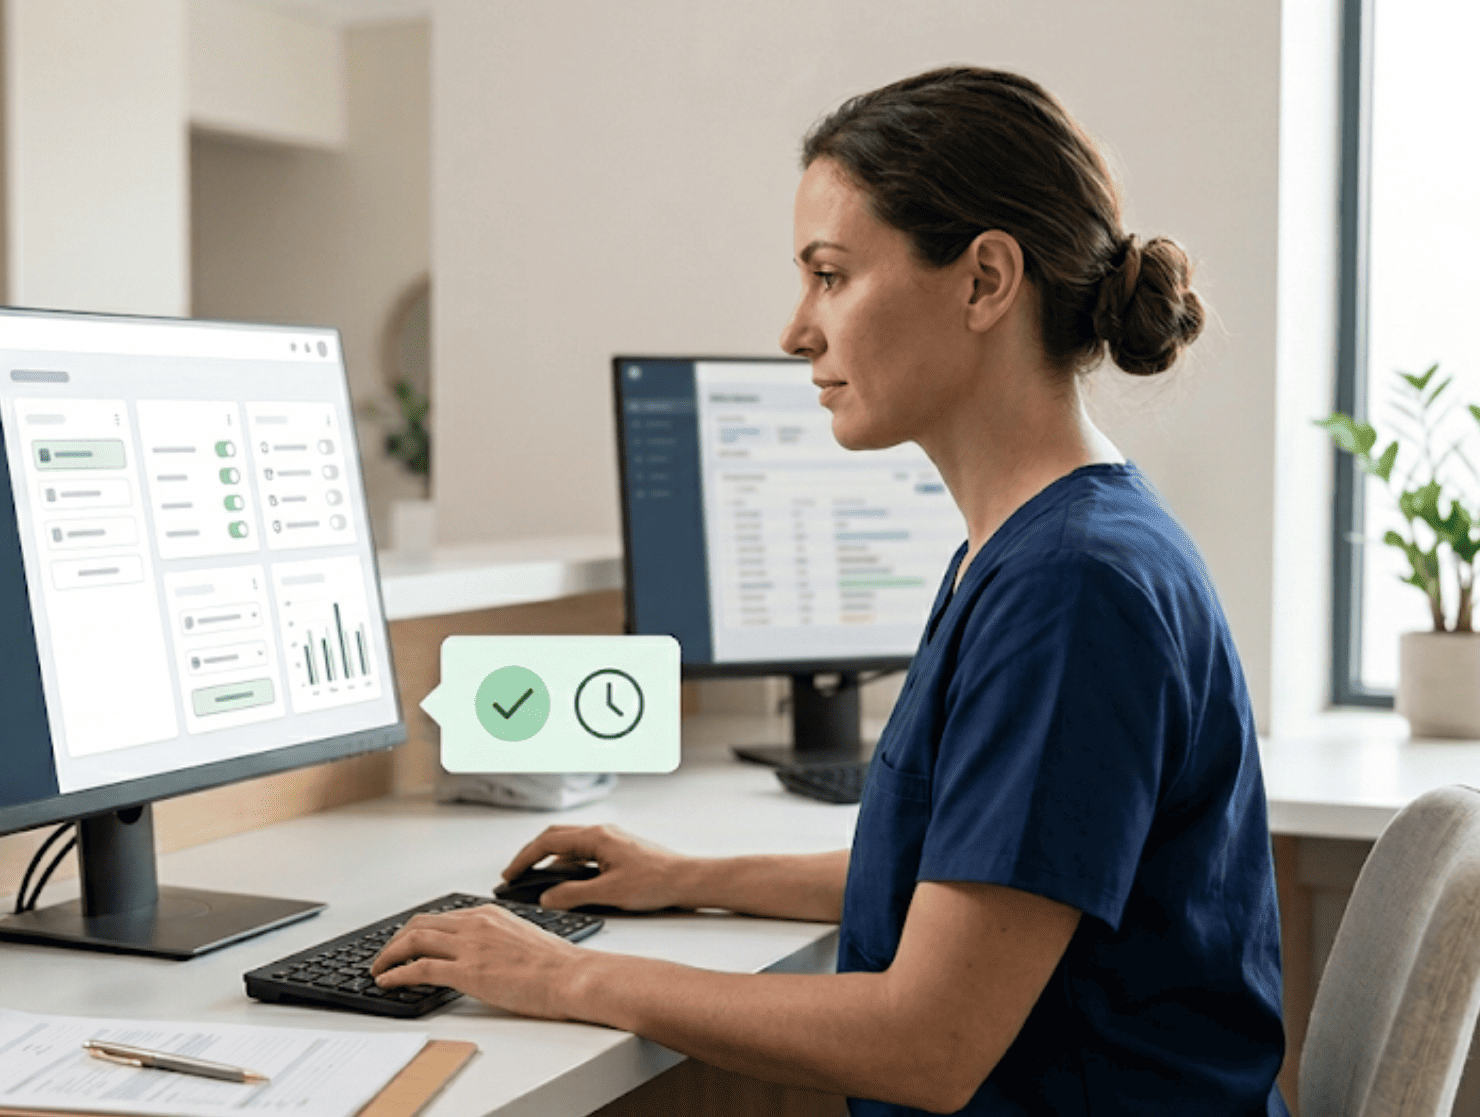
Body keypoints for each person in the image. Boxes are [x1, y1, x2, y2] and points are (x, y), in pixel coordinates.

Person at [369, 66, 1287, 1116]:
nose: (795, 329)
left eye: (830, 275)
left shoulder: (1069, 590)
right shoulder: (1036, 547)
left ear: (984, 281)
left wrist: (559, 974)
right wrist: (688, 876)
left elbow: (926, 1044)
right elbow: (967, 889)